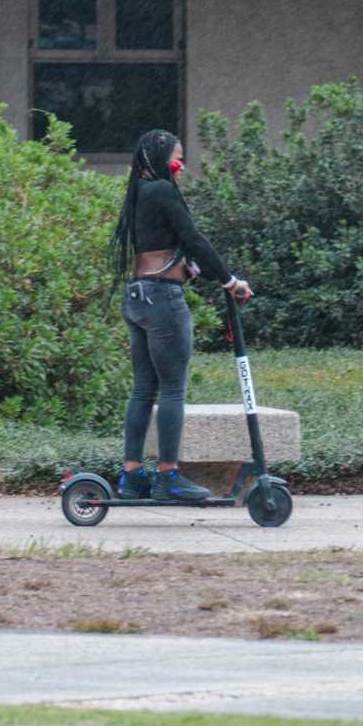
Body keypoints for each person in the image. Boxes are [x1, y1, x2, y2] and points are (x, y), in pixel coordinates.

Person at [108, 129, 252, 502]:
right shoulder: (161, 190)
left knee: (143, 389)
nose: (182, 166)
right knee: (172, 389)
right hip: (162, 300)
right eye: (178, 158)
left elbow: (169, 245)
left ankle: (132, 477)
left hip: (137, 296)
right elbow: (194, 238)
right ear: (161, 159)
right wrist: (230, 281)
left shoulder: (139, 193)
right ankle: (169, 477)